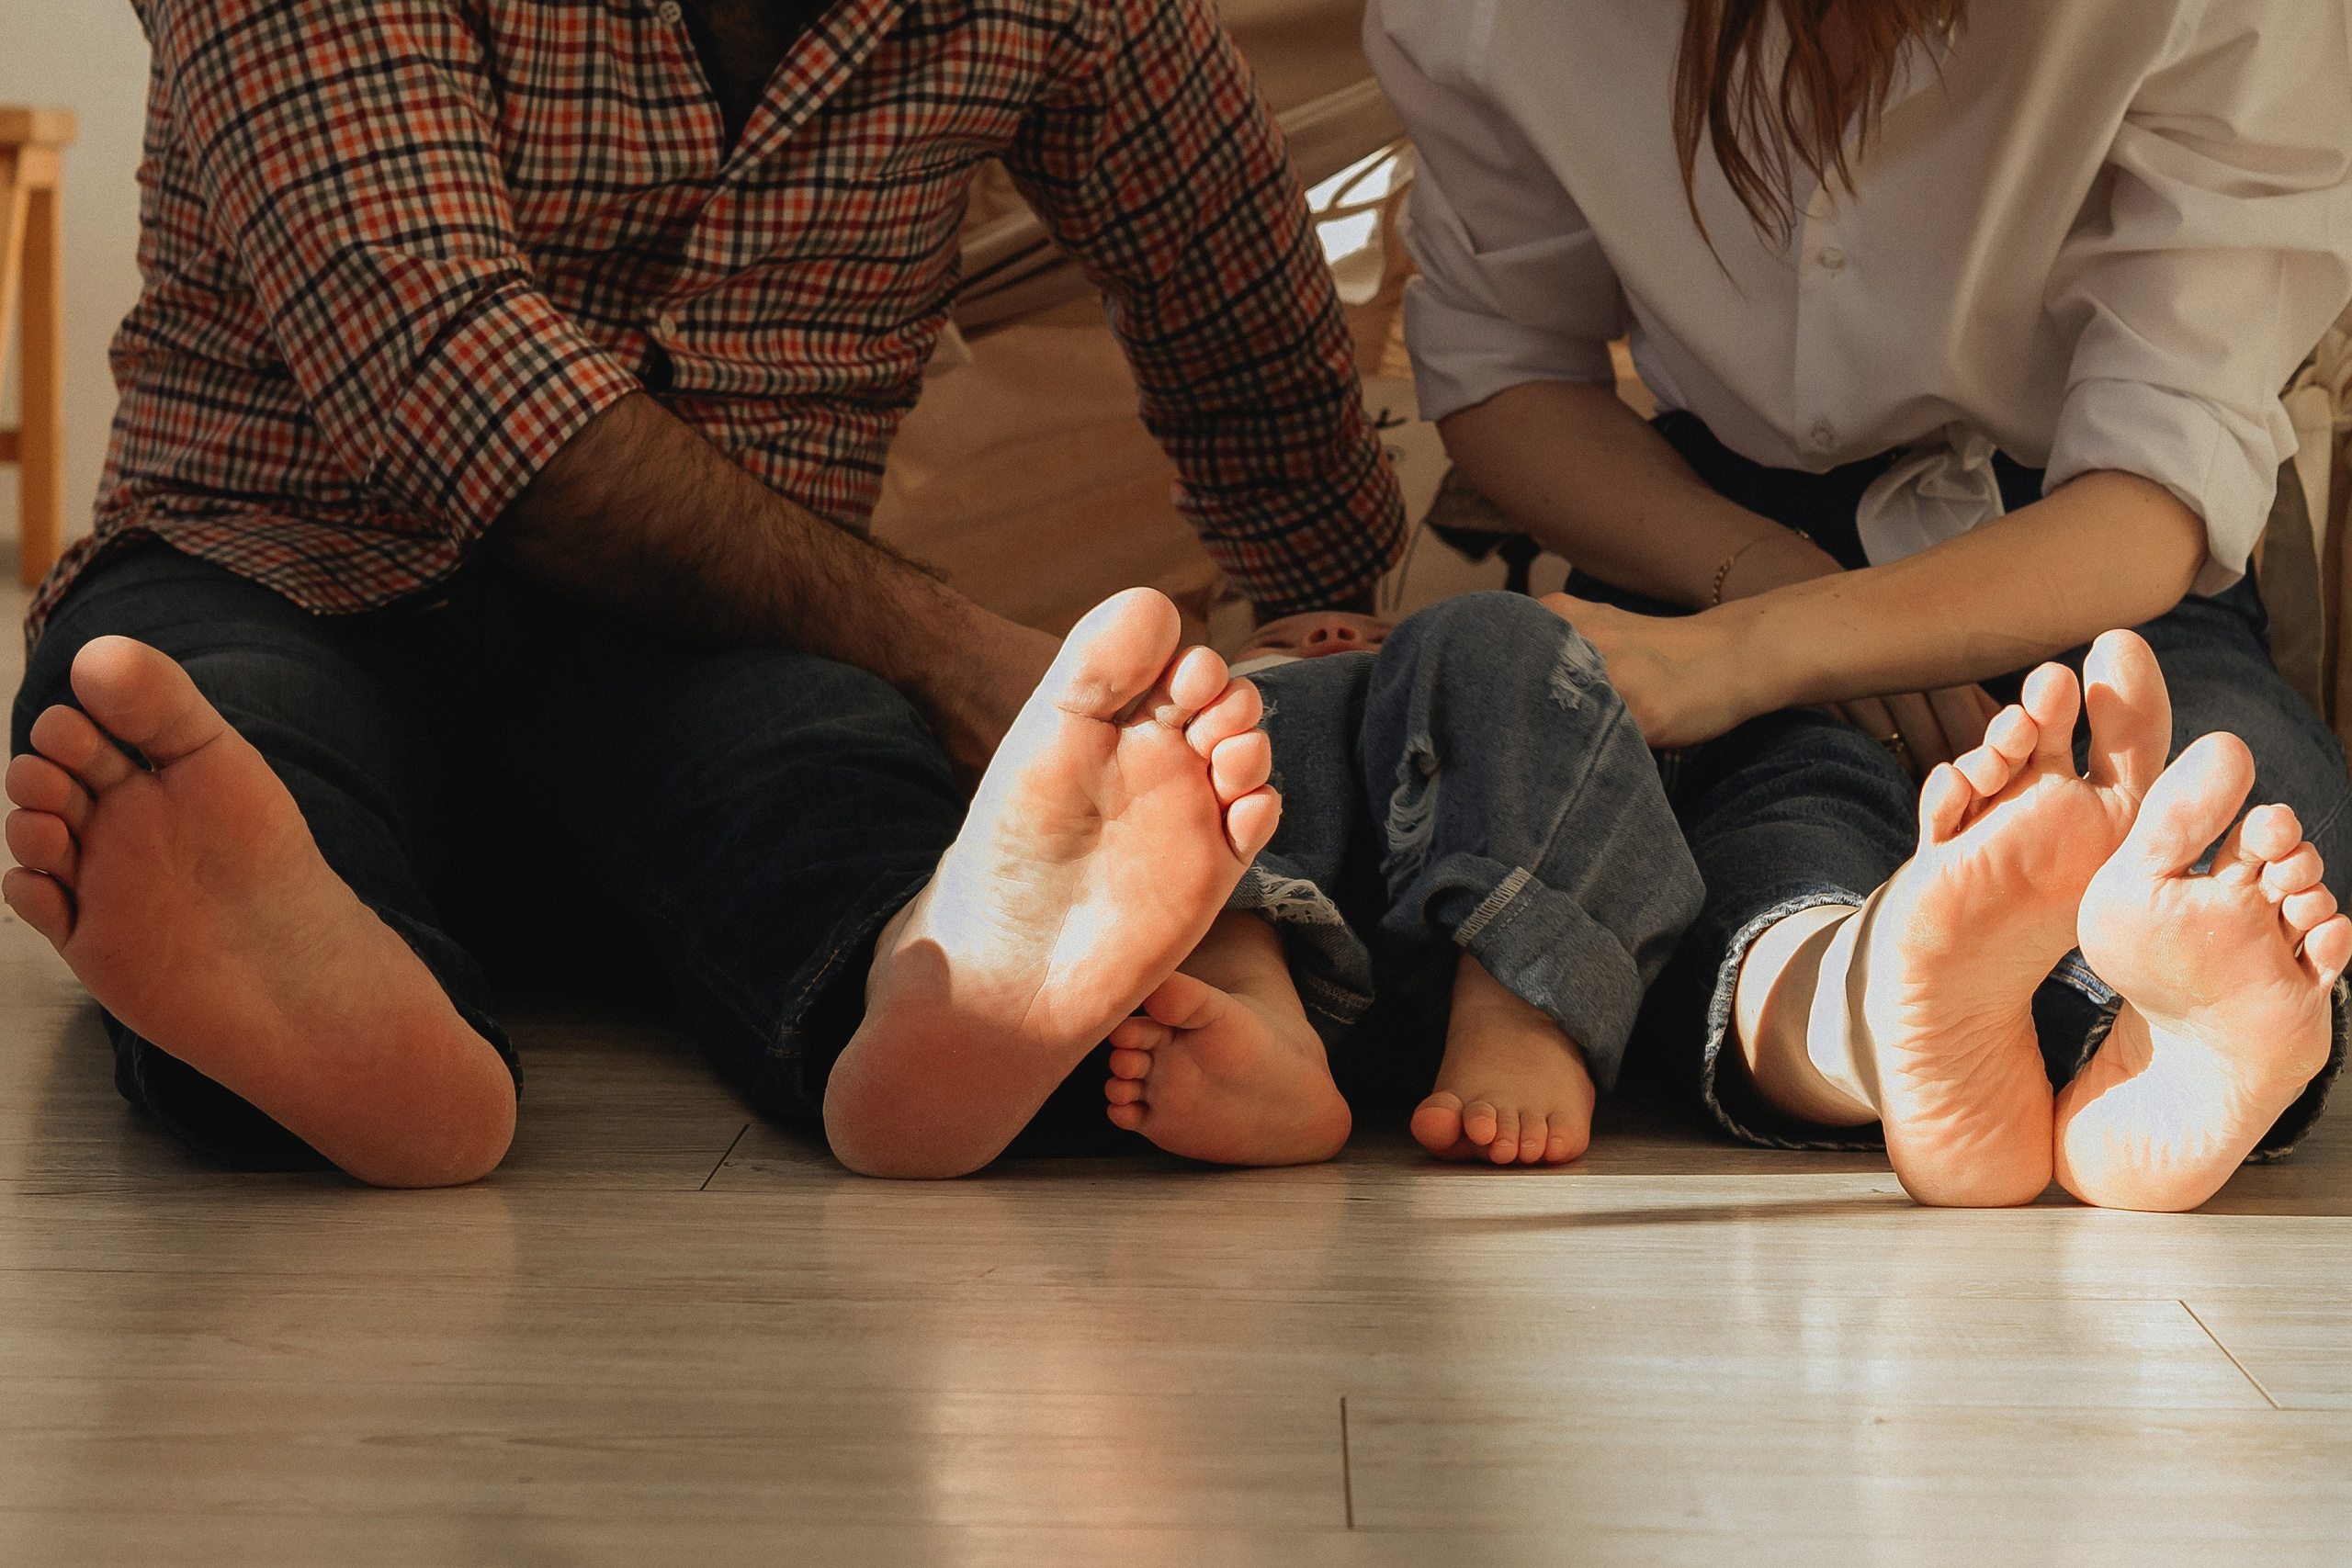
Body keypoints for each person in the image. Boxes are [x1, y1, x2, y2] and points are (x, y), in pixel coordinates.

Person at [1, 0, 1404, 1185]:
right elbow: (438, 366)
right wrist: (949, 651)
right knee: (202, 725)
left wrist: (1332, 624)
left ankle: (937, 989)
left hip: (717, 646)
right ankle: (344, 1035)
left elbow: (1227, 286)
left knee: (823, 775)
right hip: (276, 557)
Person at [1366, 0, 2352, 1211]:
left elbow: (2155, 481)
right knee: (1706, 837)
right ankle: (1904, 1004)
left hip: (2086, 545)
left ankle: (2099, 1041)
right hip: (1698, 532)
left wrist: (1775, 644)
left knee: (2218, 778)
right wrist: (1756, 592)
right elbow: (1505, 367)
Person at [1100, 592, 1705, 1168]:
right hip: (1288, 965)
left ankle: (1523, 1010)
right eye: (1275, 637)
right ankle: (1253, 1010)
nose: (1330, 635)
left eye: (1377, 634)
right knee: (1172, 739)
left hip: (1465, 941)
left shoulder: (1435, 667)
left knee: (1495, 632)